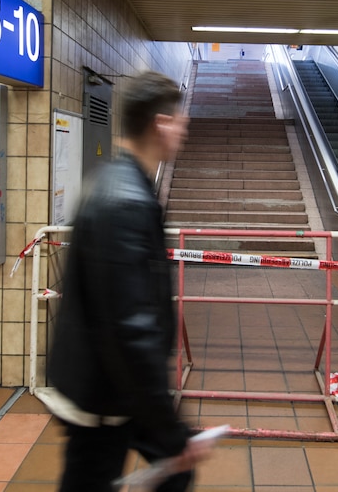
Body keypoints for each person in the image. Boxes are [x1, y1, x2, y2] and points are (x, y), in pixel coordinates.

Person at [46, 70, 205, 492]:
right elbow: (128, 327)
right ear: (161, 124)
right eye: (181, 120)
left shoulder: (119, 182)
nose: (185, 129)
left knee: (176, 470)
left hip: (113, 387)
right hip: (105, 396)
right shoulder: (126, 202)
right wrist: (170, 429)